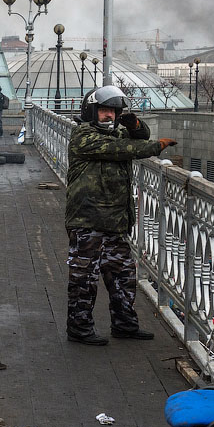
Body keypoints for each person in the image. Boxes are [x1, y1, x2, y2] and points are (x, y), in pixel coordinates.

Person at [65, 86, 177, 345]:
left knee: (123, 275)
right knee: (84, 278)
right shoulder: (83, 136)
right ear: (91, 111)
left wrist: (135, 123)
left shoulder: (116, 131)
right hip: (87, 221)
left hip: (114, 221)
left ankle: (125, 325)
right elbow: (124, 149)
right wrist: (154, 147)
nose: (109, 116)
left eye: (114, 112)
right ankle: (79, 328)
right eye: (104, 111)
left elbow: (139, 135)